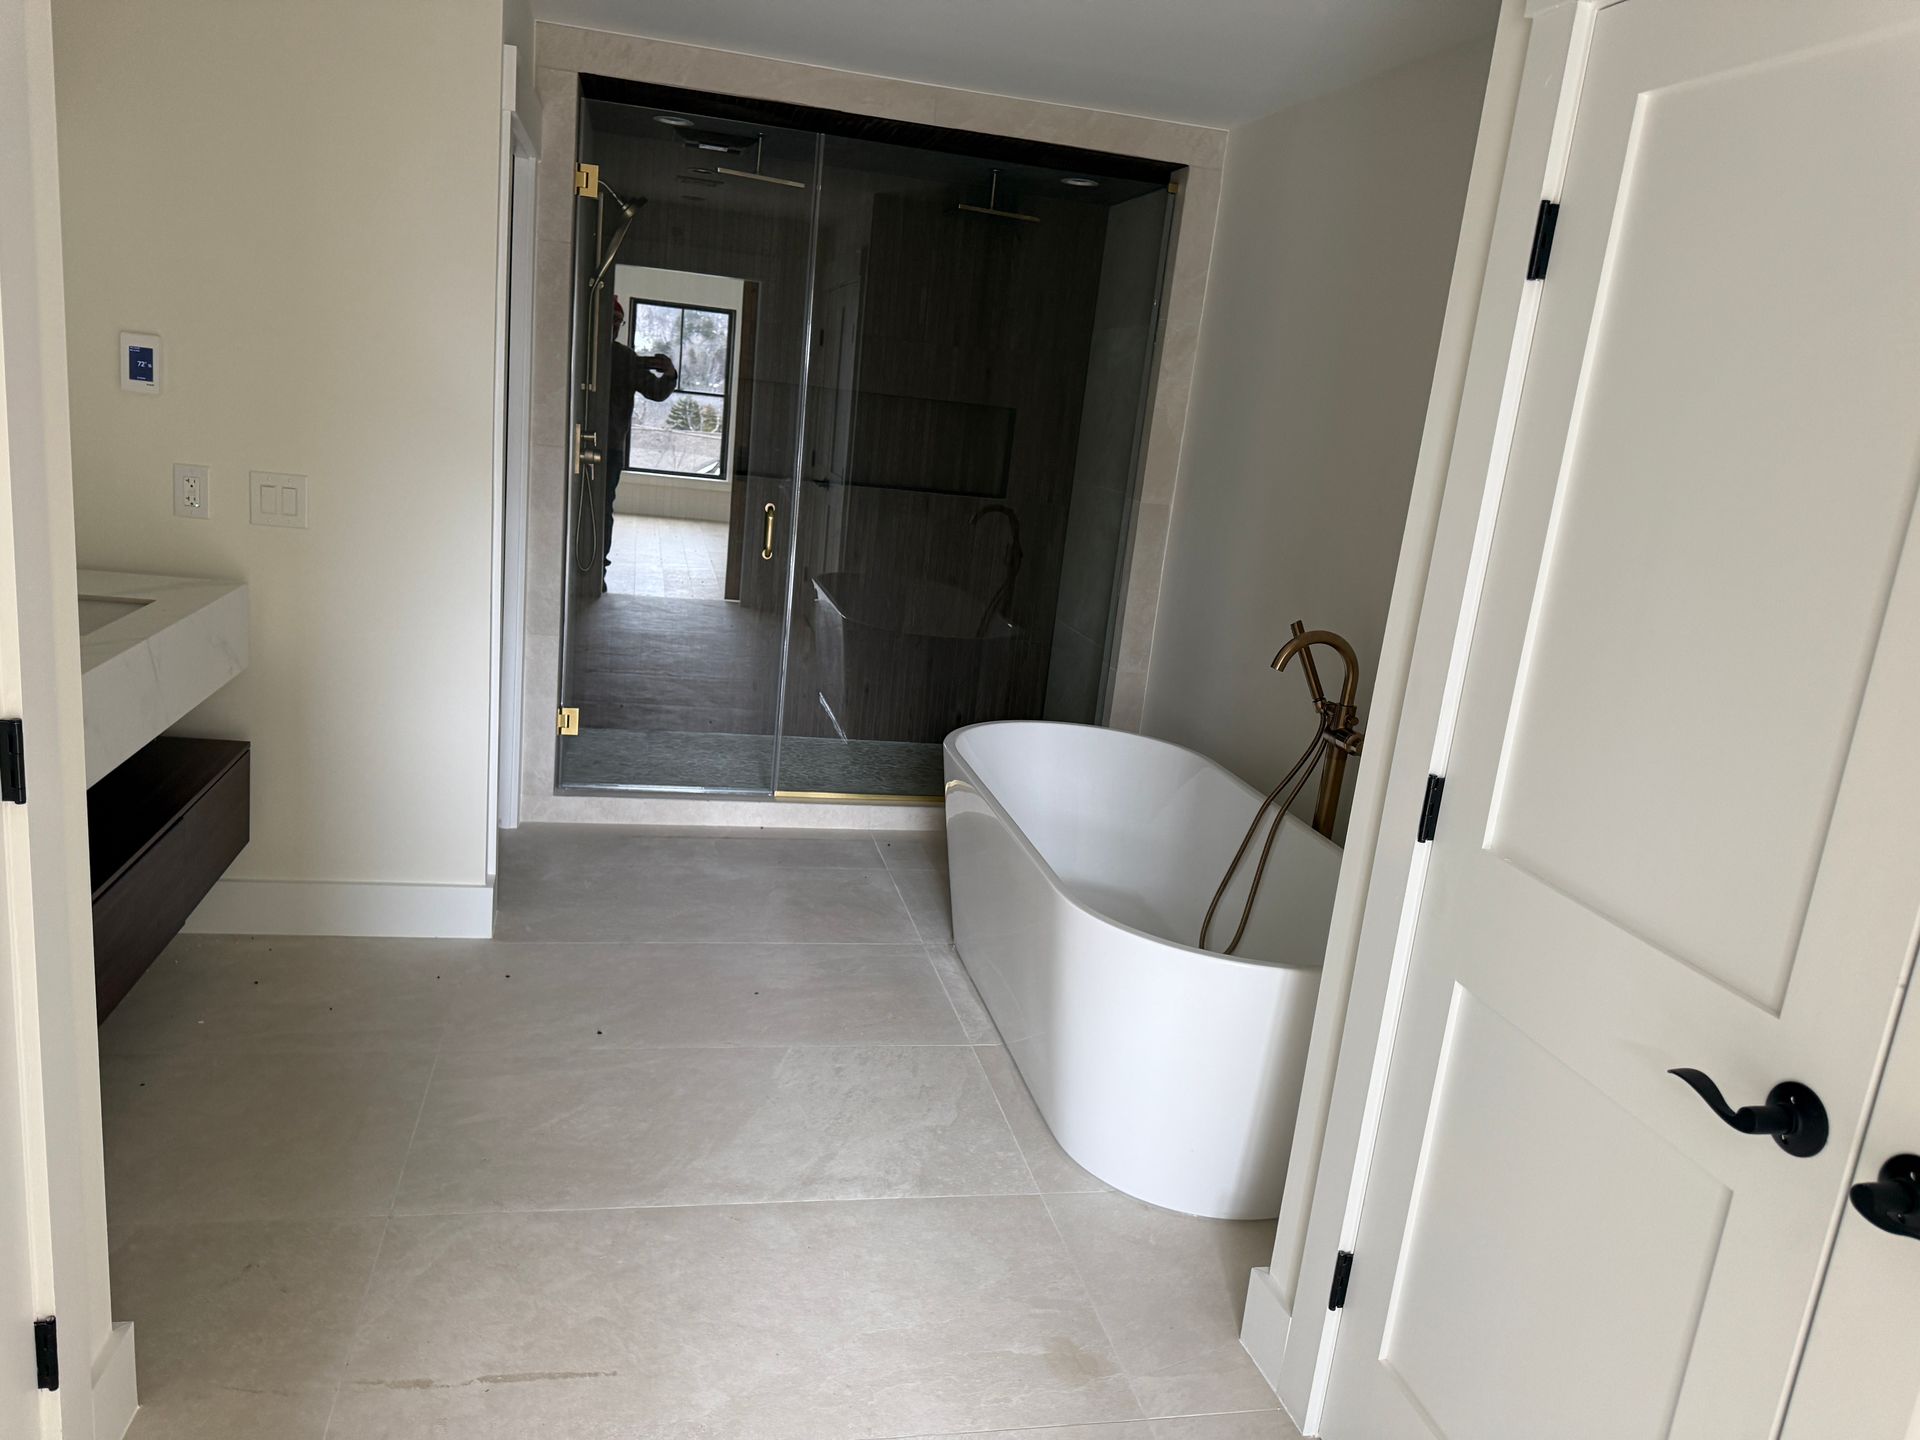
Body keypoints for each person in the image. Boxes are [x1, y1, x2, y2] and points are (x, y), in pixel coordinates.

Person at [603, 298, 679, 583]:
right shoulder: (616, 356)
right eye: (609, 318)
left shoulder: (625, 358)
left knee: (602, 507)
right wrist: (668, 374)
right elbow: (657, 390)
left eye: (617, 321)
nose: (613, 326)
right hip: (605, 446)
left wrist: (669, 373)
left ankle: (597, 566)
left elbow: (657, 391)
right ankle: (592, 566)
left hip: (610, 448)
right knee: (597, 506)